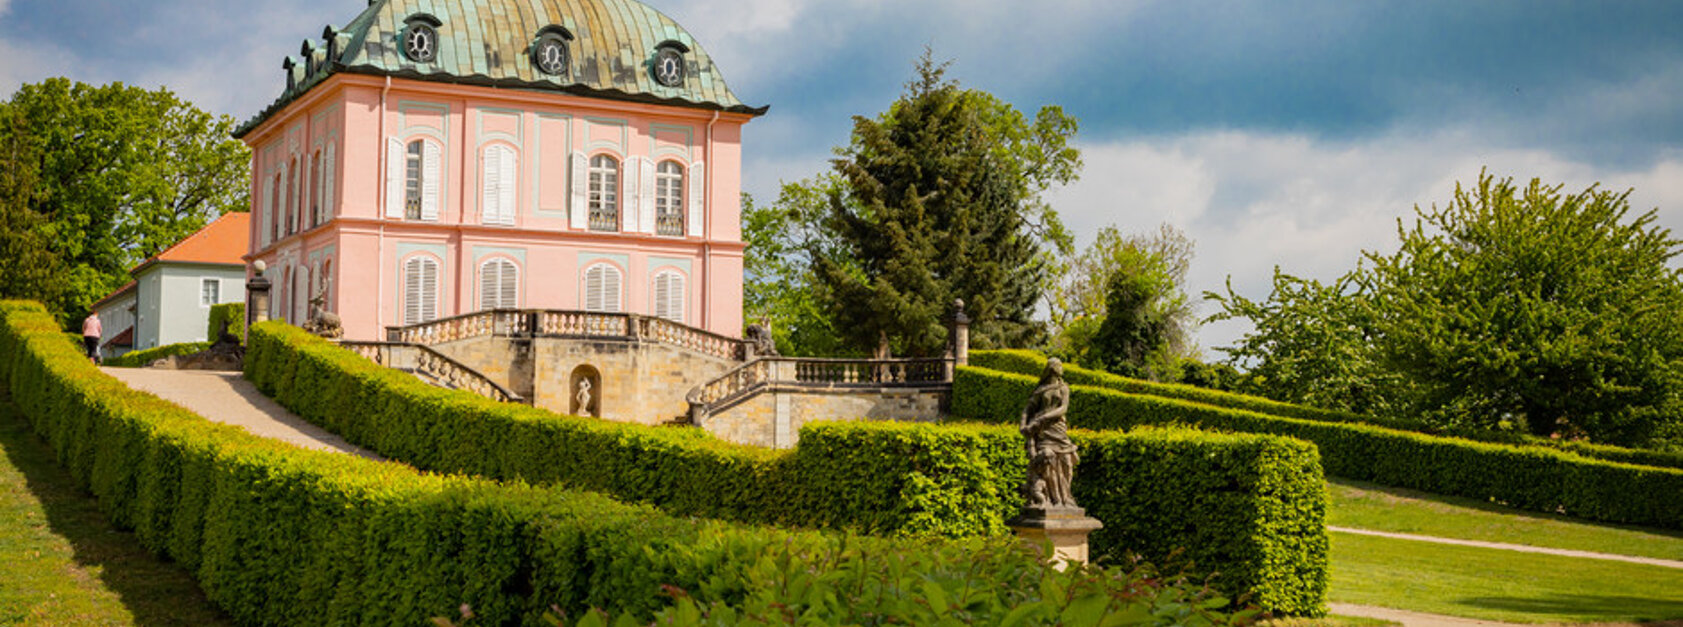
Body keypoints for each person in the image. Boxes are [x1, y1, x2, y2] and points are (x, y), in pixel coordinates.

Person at [1020, 358, 1078, 509]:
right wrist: (1023, 425)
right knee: (1049, 464)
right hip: (1044, 432)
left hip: (1058, 429)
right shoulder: (1041, 390)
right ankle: (1056, 500)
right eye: (1059, 365)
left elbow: (1063, 408)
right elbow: (1028, 409)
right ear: (1052, 368)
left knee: (1067, 463)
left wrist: (1045, 417)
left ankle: (1067, 498)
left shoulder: (1063, 388)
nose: (1062, 369)